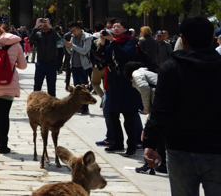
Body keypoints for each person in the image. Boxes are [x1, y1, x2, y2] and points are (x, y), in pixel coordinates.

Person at [143, 16, 221, 195]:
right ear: (211, 39)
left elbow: (161, 110)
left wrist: (150, 142)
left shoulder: (171, 68)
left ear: (182, 39)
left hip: (180, 148)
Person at [0, 23, 27, 154]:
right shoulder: (16, 44)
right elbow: (23, 66)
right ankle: (3, 145)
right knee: (5, 113)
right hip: (9, 82)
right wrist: (13, 63)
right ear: (9, 32)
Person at [101, 18, 143, 156]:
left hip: (126, 83)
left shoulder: (129, 41)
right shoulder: (112, 42)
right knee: (113, 114)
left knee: (128, 116)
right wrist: (103, 43)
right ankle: (117, 143)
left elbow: (124, 55)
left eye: (118, 26)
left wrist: (112, 42)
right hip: (113, 82)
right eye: (113, 27)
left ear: (125, 28)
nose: (115, 28)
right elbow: (104, 59)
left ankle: (131, 145)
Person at [124, 61, 163, 176]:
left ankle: (149, 165)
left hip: (158, 102)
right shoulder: (149, 74)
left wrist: (146, 107)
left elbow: (144, 87)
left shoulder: (137, 73)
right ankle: (161, 164)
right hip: (163, 101)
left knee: (149, 132)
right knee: (156, 132)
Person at [64, 21, 94, 114]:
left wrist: (72, 45)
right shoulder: (73, 37)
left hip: (83, 66)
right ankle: (78, 106)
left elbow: (84, 51)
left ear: (79, 29)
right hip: (74, 65)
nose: (73, 33)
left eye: (74, 30)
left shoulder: (87, 37)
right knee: (76, 88)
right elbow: (71, 52)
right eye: (72, 31)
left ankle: (85, 107)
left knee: (83, 88)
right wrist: (68, 46)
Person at [31, 17, 62, 97]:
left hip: (51, 63)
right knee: (37, 84)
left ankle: (52, 104)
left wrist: (51, 28)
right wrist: (36, 26)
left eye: (46, 23)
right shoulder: (38, 33)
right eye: (43, 23)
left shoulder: (53, 33)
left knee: (51, 85)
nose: (45, 25)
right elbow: (31, 39)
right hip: (40, 62)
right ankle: (35, 102)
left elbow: (58, 38)